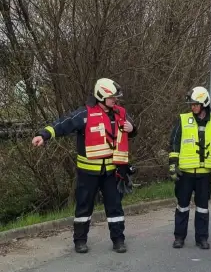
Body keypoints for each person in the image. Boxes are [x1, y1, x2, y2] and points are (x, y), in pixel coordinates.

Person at [31, 78, 136, 254]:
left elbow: (131, 131)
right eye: (112, 97)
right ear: (101, 96)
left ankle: (119, 240)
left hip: (112, 172)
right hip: (88, 173)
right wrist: (44, 135)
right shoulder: (84, 114)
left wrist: (132, 129)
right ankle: (80, 241)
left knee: (115, 208)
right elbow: (63, 124)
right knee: (84, 207)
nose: (115, 100)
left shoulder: (120, 113)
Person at [169, 86, 211, 250]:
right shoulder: (183, 120)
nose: (192, 107)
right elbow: (174, 143)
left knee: (202, 208)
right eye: (191, 104)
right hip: (185, 173)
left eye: (195, 104)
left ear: (204, 104)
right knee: (182, 206)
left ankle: (202, 238)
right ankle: (179, 237)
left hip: (204, 174)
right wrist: (173, 165)